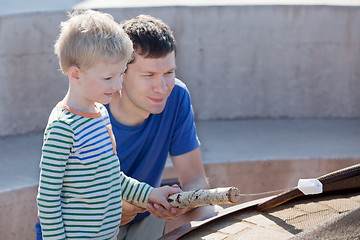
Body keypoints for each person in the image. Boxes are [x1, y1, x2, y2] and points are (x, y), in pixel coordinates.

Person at [36, 10, 181, 239]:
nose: (117, 85)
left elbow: (113, 177)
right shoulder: (62, 128)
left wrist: (151, 194)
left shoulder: (101, 114)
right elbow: (48, 199)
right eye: (107, 78)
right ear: (75, 74)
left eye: (120, 74)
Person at [107, 15, 221, 240]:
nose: (162, 87)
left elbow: (195, 180)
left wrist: (182, 203)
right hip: (91, 225)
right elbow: (71, 206)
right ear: (120, 74)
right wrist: (130, 206)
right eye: (148, 75)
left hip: (146, 217)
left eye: (168, 73)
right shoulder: (90, 111)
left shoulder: (177, 95)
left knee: (211, 215)